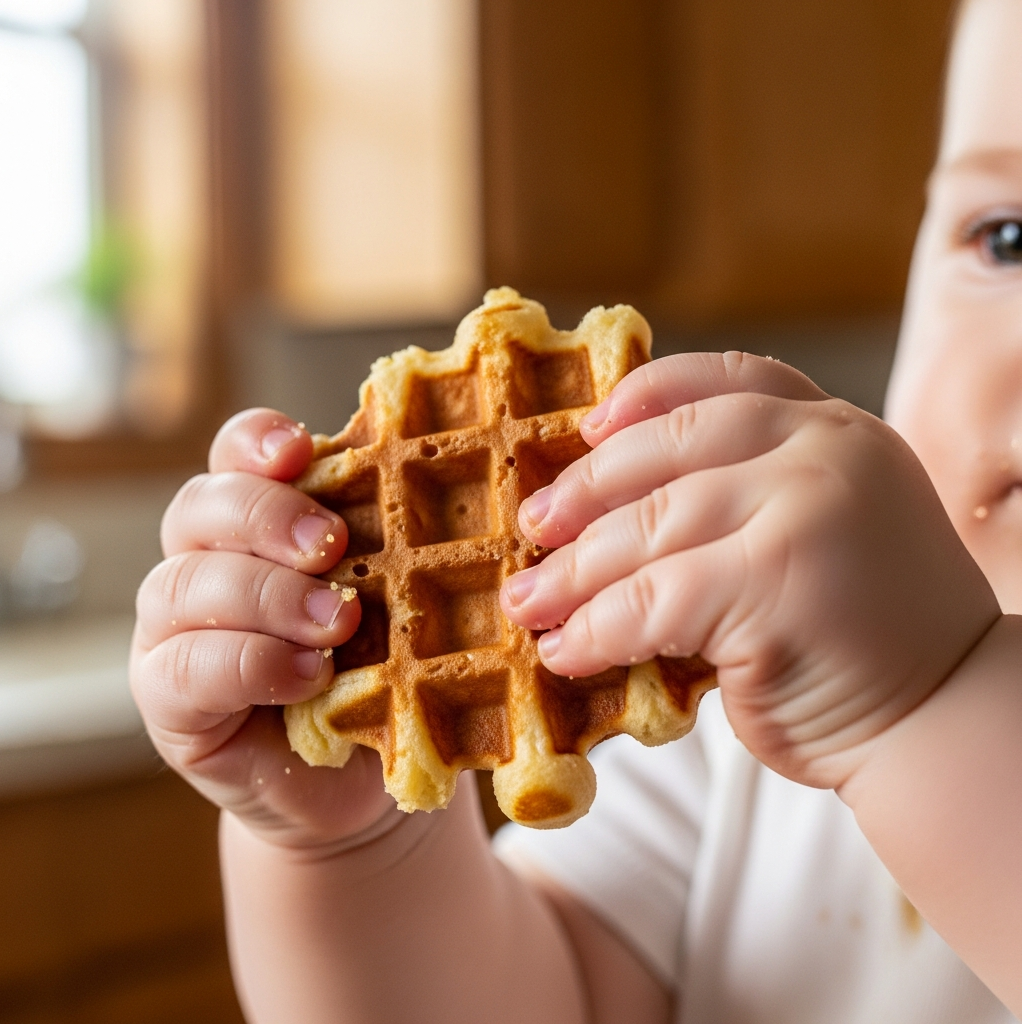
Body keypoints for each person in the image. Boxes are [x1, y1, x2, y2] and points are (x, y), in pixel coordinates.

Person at [129, 0, 1021, 1019]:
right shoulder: (736, 708)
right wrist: (350, 849)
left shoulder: (836, 691)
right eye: (1008, 237)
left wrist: (919, 714)